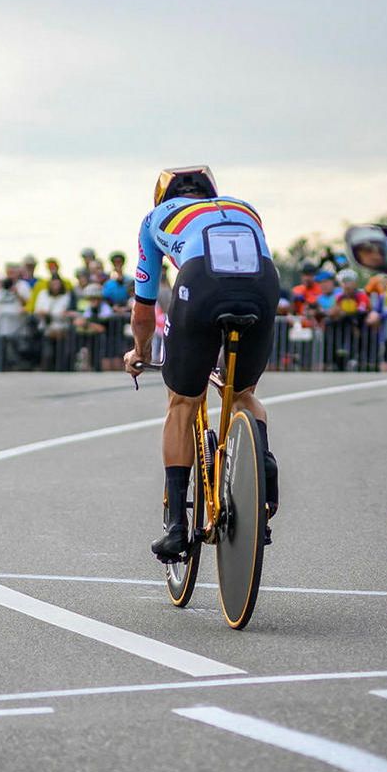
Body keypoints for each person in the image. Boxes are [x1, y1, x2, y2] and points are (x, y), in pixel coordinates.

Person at [123, 166, 281, 562]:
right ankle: (263, 465)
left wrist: (140, 351)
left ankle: (177, 527)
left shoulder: (154, 219)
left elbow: (144, 308)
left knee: (183, 401)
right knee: (242, 392)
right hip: (263, 283)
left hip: (201, 282)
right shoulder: (244, 207)